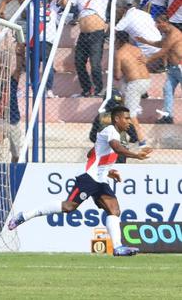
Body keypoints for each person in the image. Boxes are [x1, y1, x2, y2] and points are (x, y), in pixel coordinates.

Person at [8, 106, 152, 256]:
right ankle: (24, 216)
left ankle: (118, 247)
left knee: (114, 210)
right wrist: (137, 156)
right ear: (117, 119)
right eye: (126, 118)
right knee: (69, 206)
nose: (129, 122)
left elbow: (92, 154)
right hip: (89, 177)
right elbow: (115, 149)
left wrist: (108, 171)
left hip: (101, 180)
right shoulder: (110, 130)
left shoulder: (118, 135)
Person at [137, 14, 182, 124]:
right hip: (172, 68)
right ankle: (168, 116)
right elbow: (161, 44)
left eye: (158, 23)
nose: (156, 25)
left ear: (165, 22)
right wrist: (145, 41)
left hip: (180, 67)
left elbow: (163, 50)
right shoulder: (167, 34)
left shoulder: (174, 33)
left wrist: (147, 60)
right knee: (167, 90)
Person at [74, 0, 112, 97]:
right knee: (79, 62)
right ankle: (87, 88)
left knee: (95, 64)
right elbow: (66, 3)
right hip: (83, 34)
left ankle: (99, 88)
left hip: (97, 34)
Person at [114, 31, 150, 146]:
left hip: (135, 84)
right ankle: (133, 104)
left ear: (118, 41)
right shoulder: (137, 49)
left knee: (130, 114)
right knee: (124, 89)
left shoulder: (119, 53)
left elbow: (118, 76)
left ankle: (141, 140)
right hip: (147, 81)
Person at [88, 89, 138, 164]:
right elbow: (134, 136)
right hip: (120, 150)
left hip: (104, 150)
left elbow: (92, 136)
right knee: (119, 171)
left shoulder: (100, 117)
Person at [115, 0, 163, 72]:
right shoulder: (145, 14)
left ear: (123, 9)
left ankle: (119, 67)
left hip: (148, 57)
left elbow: (113, 32)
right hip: (161, 52)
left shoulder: (126, 18)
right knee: (131, 34)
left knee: (121, 37)